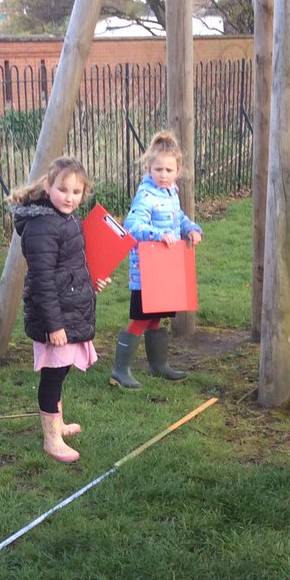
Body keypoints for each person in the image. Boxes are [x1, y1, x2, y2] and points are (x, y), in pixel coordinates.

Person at [9, 156, 109, 463]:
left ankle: (58, 423)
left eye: (76, 192)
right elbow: (42, 281)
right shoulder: (42, 227)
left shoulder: (67, 219)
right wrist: (54, 326)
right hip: (54, 316)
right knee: (52, 376)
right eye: (63, 189)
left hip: (68, 309)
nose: (70, 197)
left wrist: (92, 282)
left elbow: (69, 267)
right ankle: (51, 438)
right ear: (48, 186)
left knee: (60, 372)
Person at [109, 130, 202, 389]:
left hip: (165, 268)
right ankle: (120, 369)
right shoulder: (146, 194)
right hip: (146, 272)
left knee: (156, 317)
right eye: (158, 169)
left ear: (178, 171)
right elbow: (132, 225)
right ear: (149, 168)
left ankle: (158, 365)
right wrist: (158, 234)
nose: (163, 174)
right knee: (141, 317)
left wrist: (192, 229)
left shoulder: (171, 193)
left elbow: (179, 218)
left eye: (169, 170)